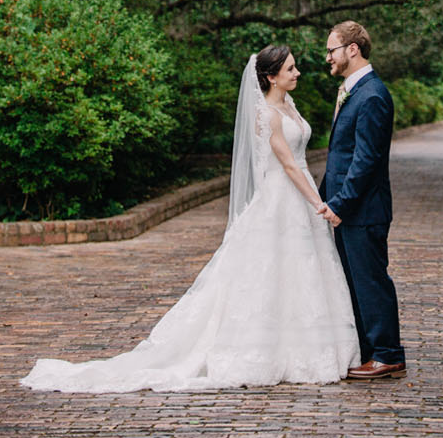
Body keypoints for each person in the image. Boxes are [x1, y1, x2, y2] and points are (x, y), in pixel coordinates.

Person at [21, 45, 360, 392]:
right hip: (283, 196)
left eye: (295, 67)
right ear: (271, 77)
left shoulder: (288, 105)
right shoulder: (267, 115)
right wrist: (319, 203)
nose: (297, 73)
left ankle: (306, 348)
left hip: (298, 198)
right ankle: (263, 351)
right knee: (270, 272)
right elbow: (288, 164)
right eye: (290, 69)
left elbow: (302, 152)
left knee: (301, 272)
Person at [321, 19, 406, 379]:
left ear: (351, 50)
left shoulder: (372, 95)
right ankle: (371, 352)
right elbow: (342, 155)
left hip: (363, 210)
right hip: (349, 208)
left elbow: (366, 160)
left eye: (331, 49)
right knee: (357, 283)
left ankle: (388, 354)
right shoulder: (354, 90)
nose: (327, 57)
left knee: (371, 281)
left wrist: (340, 204)